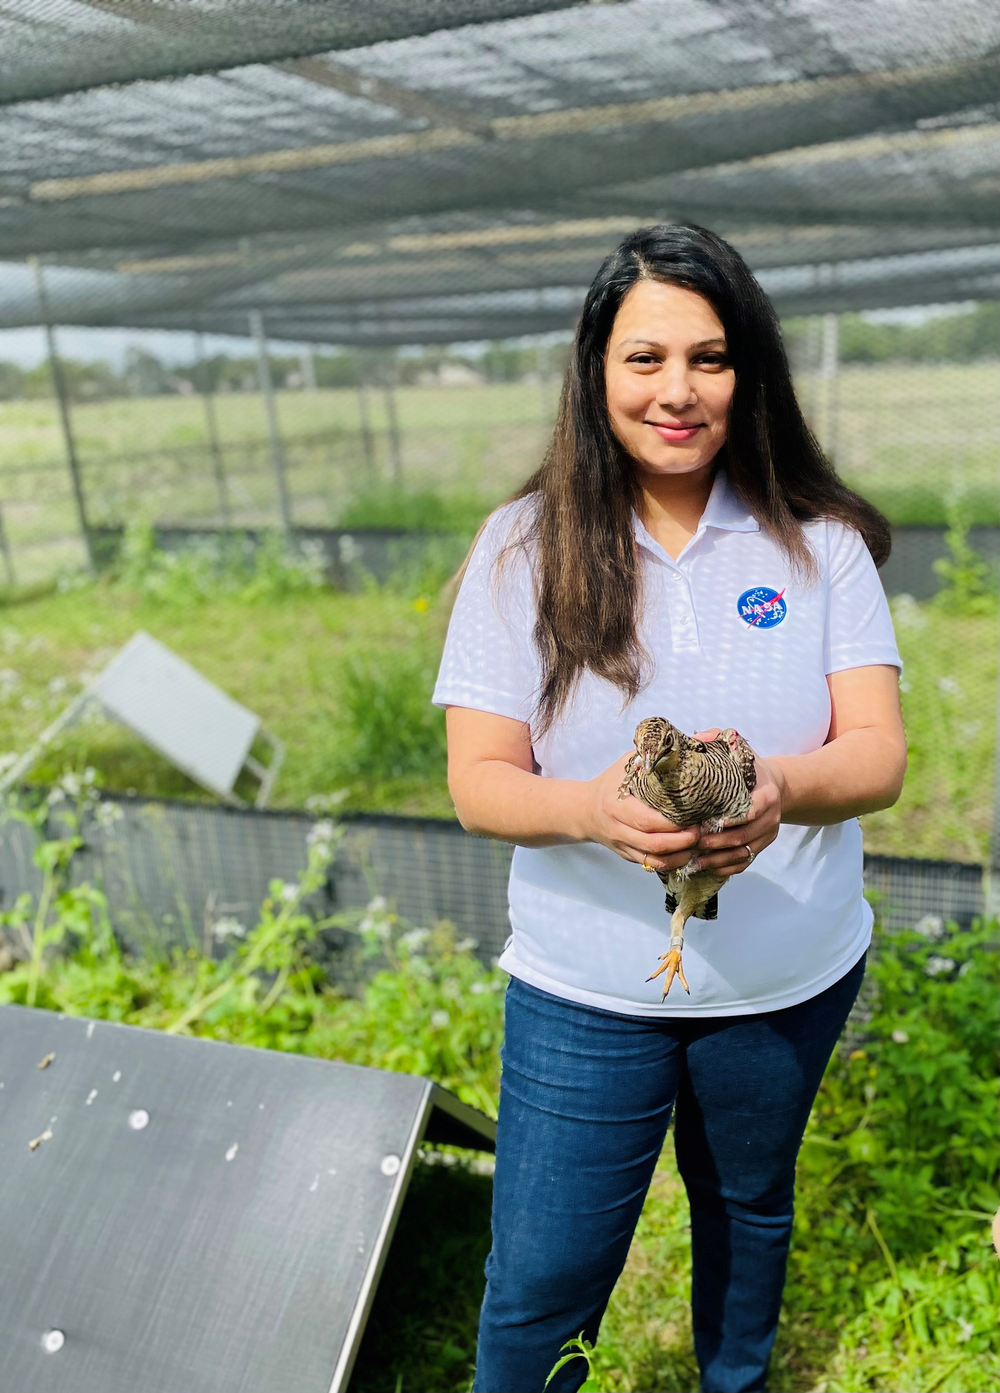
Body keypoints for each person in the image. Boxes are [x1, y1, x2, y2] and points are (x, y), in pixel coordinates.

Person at [433, 223, 906, 1393]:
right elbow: (477, 778)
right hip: (584, 980)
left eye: (709, 357)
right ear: (596, 370)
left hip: (782, 976)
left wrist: (782, 788)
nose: (677, 391)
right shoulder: (523, 547)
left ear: (749, 374)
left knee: (747, 1213)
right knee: (543, 1270)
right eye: (645, 359)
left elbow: (880, 756)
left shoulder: (820, 545)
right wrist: (595, 809)